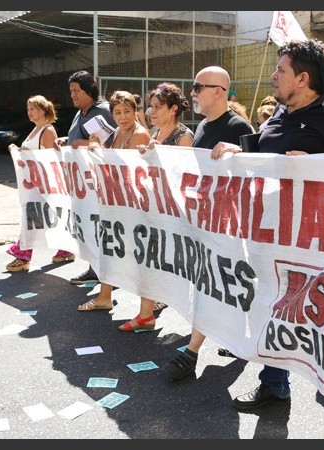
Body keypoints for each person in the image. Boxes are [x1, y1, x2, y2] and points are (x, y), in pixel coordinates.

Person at [208, 39, 324, 411]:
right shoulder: (280, 114)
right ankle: (274, 385)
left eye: (280, 70)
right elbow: (267, 158)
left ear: (302, 78)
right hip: (276, 235)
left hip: (323, 241)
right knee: (273, 307)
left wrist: (320, 167)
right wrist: (240, 152)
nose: (273, 75)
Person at [161, 65, 254, 382]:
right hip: (203, 222)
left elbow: (258, 171)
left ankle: (191, 351)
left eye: (199, 86)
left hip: (229, 226)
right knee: (217, 286)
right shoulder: (200, 127)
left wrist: (240, 151)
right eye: (193, 86)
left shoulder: (238, 125)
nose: (193, 92)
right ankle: (239, 339)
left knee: (210, 286)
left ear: (219, 91)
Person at [79, 91, 152, 327]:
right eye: (118, 113)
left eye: (127, 112)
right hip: (118, 204)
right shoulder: (116, 133)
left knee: (140, 259)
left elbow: (130, 172)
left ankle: (146, 312)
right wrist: (94, 144)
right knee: (110, 250)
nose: (123, 117)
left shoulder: (139, 134)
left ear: (135, 112)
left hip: (135, 207)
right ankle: (105, 296)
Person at [132, 82, 196, 315]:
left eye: (158, 107)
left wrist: (158, 155)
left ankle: (164, 302)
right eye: (151, 107)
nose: (152, 112)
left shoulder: (184, 137)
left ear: (174, 109)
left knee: (172, 259)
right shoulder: (156, 133)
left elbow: (181, 176)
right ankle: (154, 302)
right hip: (156, 206)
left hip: (174, 210)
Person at [53, 70, 115, 286]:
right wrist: (66, 141)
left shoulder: (104, 112)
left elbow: (114, 146)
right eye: (70, 91)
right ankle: (93, 268)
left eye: (77, 90)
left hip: (100, 184)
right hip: (83, 184)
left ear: (89, 90)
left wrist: (83, 144)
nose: (73, 95)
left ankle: (107, 273)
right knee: (88, 227)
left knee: (101, 227)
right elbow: (78, 139)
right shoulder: (81, 113)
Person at [5, 95, 74, 273]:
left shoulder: (47, 130)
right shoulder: (35, 129)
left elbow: (51, 159)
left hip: (44, 183)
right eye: (28, 109)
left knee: (32, 216)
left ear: (43, 110)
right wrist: (17, 150)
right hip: (33, 182)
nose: (29, 112)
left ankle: (23, 254)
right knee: (48, 217)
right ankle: (66, 249)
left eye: (33, 109)